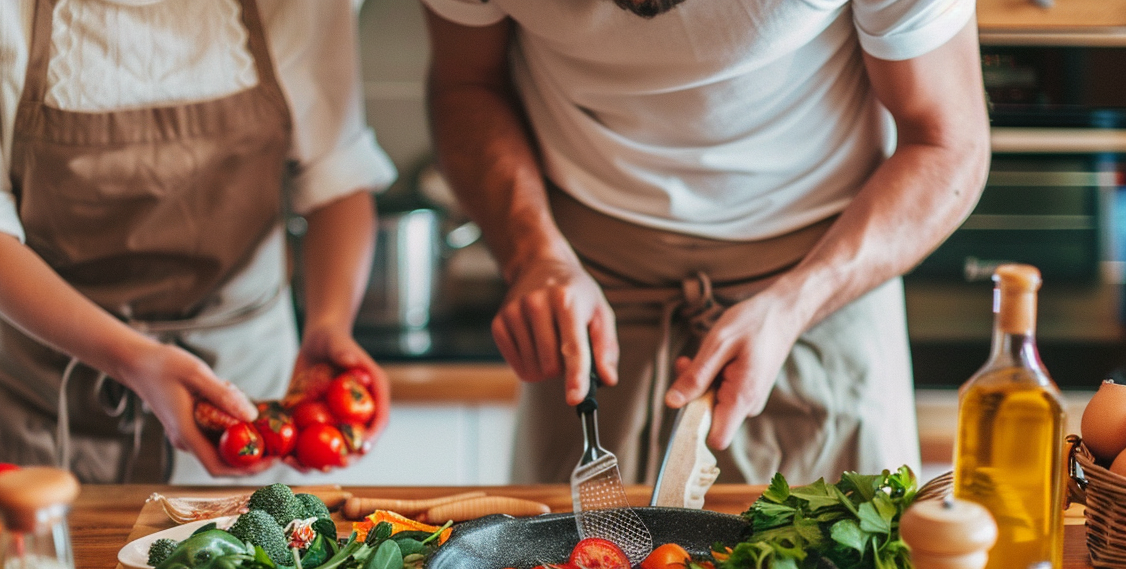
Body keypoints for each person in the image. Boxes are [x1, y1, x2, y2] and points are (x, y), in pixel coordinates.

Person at [421, 0, 990, 485]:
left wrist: (796, 302)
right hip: (584, 300)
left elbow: (947, 143)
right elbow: (467, 82)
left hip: (821, 286)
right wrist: (533, 254)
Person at [0, 0, 396, 483]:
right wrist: (134, 359)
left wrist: (329, 322)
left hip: (244, 394)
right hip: (42, 400)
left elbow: (337, 176)